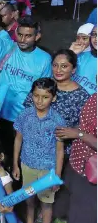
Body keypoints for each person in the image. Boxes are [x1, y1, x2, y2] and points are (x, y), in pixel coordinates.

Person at [0, 0, 52, 164]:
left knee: (17, 156)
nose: (23, 39)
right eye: (20, 34)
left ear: (37, 36)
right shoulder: (7, 47)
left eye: (28, 36)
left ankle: (16, 185)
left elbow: (44, 89)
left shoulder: (44, 59)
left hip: (23, 117)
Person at [13, 78, 65, 223]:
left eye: (45, 97)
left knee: (46, 204)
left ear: (53, 98)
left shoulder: (58, 121)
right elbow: (18, 139)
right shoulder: (24, 115)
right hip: (27, 165)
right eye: (36, 95)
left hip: (48, 171)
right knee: (29, 201)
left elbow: (59, 151)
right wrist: (16, 164)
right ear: (32, 95)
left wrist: (57, 176)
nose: (39, 101)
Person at [24, 49, 90, 154]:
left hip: (60, 151)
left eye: (64, 66)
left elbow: (84, 126)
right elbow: (27, 111)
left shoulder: (82, 96)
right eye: (55, 65)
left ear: (73, 69)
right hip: (32, 145)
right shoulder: (42, 85)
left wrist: (71, 132)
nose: (58, 70)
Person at [55, 93, 97, 223]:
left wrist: (78, 134)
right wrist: (67, 131)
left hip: (92, 172)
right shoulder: (94, 98)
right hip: (76, 161)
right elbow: (86, 126)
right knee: (63, 207)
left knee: (82, 215)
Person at [71, 25, 97, 95]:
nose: (80, 42)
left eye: (84, 38)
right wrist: (71, 53)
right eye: (94, 35)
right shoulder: (79, 55)